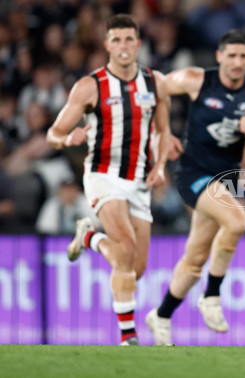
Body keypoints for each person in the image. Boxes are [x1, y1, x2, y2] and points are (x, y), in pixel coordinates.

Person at [46, 14, 171, 346]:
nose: (123, 46)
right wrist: (67, 138)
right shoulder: (90, 86)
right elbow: (53, 133)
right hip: (103, 175)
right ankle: (128, 337)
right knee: (126, 248)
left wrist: (160, 165)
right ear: (107, 45)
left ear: (139, 44)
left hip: (140, 181)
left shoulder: (155, 82)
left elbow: (163, 129)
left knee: (135, 268)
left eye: (129, 39)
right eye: (116, 40)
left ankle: (89, 237)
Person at [145, 30, 245, 346]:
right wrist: (163, 132)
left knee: (194, 259)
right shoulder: (197, 80)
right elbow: (157, 86)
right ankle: (211, 296)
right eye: (232, 55)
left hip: (226, 180)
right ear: (219, 56)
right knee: (238, 221)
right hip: (193, 173)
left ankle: (162, 315)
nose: (237, 62)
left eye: (244, 56)